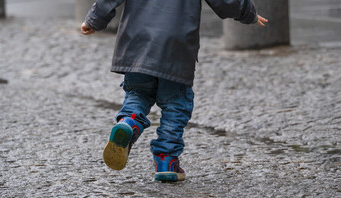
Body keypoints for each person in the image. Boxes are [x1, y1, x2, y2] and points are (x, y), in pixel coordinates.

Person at [81, 0, 268, 182]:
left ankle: (129, 122)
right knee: (176, 104)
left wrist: (93, 20)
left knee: (138, 93)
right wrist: (248, 12)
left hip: (136, 41)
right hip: (176, 44)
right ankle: (166, 161)